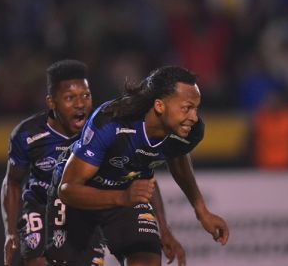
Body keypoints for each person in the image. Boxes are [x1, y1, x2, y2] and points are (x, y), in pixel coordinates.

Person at [1, 60, 185, 266]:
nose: (80, 104)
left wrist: (163, 227)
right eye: (70, 98)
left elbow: (142, 176)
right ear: (51, 102)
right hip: (41, 205)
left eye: (86, 96)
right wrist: (10, 232)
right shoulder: (27, 135)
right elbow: (13, 182)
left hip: (87, 205)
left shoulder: (104, 128)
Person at [53, 66, 229, 266]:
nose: (194, 117)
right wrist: (123, 197)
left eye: (196, 108)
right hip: (79, 200)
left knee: (147, 261)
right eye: (187, 108)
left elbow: (178, 158)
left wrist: (200, 212)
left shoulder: (187, 132)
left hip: (125, 196)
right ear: (159, 106)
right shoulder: (111, 123)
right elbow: (67, 190)